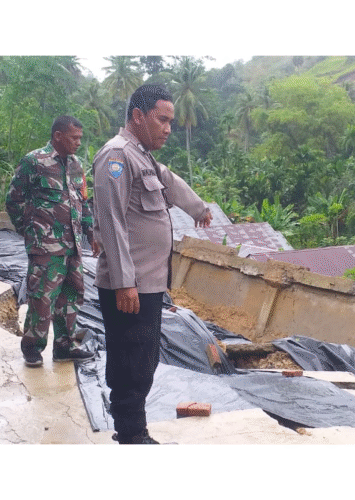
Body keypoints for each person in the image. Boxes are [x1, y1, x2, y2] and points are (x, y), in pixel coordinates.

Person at [92, 85, 212, 444]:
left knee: (143, 361)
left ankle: (134, 432)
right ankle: (132, 436)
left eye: (171, 121)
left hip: (147, 284)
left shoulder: (142, 156)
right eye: (162, 119)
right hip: (129, 286)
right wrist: (124, 282)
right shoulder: (116, 155)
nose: (168, 128)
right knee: (130, 364)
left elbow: (169, 182)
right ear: (138, 116)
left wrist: (199, 208)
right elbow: (111, 221)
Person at [6, 115, 98, 367]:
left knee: (72, 296)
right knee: (42, 297)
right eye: (74, 138)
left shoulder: (76, 165)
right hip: (45, 247)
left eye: (80, 138)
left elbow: (82, 203)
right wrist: (29, 231)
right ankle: (32, 349)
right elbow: (14, 199)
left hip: (73, 247)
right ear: (58, 136)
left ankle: (66, 346)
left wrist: (91, 233)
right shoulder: (34, 161)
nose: (78, 142)